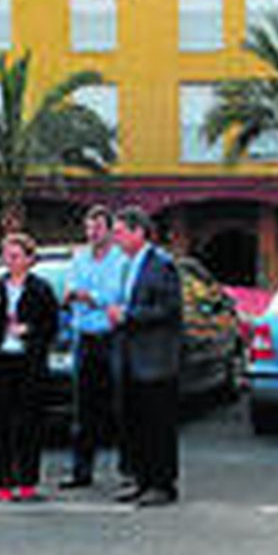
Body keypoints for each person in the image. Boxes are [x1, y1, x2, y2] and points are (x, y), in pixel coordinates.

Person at [0, 232, 59, 502]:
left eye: (15, 256)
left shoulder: (41, 288)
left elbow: (52, 326)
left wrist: (29, 329)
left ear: (29, 259)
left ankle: (28, 483)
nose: (10, 261)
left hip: (28, 362)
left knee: (29, 423)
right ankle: (3, 484)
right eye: (6, 255)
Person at [109, 207, 182, 507]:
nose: (116, 239)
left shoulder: (161, 264)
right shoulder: (128, 264)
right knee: (134, 423)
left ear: (139, 232)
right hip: (128, 355)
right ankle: (140, 479)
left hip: (155, 358)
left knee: (157, 424)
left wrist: (128, 315)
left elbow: (168, 309)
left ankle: (162, 484)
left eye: (120, 232)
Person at [61, 205, 127, 489]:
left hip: (111, 337)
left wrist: (88, 296)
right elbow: (70, 291)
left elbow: (115, 295)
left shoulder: (121, 260)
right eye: (88, 227)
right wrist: (88, 297)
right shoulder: (78, 257)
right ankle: (81, 472)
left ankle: (128, 472)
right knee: (83, 410)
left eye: (98, 227)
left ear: (110, 231)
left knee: (120, 406)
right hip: (84, 336)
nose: (92, 233)